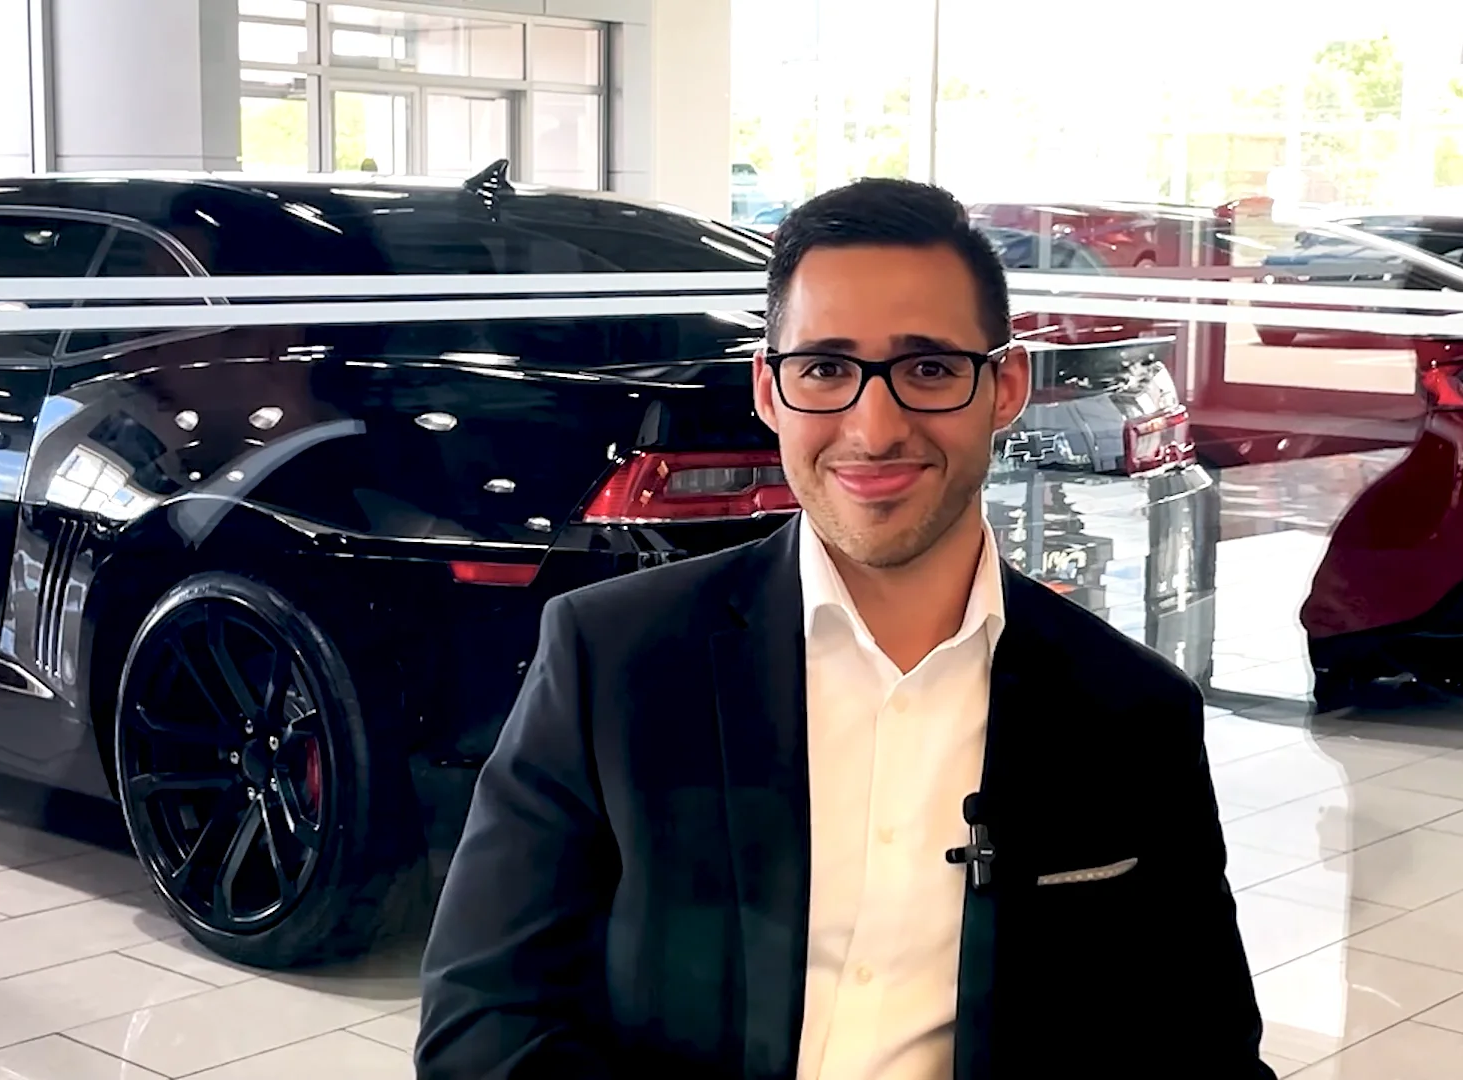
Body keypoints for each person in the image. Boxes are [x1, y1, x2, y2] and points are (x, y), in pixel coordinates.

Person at [415, 177, 1275, 1080]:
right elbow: (484, 1022)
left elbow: (1202, 1051)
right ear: (768, 388)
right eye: (825, 369)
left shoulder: (1129, 713)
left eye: (930, 369)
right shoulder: (614, 661)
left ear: (1006, 386)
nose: (874, 428)